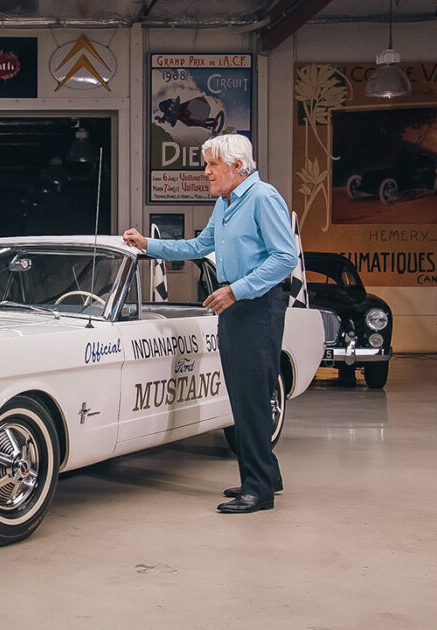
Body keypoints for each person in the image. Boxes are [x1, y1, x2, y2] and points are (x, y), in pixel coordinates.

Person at [123, 134, 297, 514]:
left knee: (252, 394)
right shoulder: (226, 202)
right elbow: (200, 246)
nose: (206, 173)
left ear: (236, 166)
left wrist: (236, 290)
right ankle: (267, 475)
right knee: (242, 393)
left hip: (257, 304)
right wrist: (147, 246)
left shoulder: (263, 198)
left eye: (212, 165)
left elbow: (285, 258)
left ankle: (259, 491)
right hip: (235, 303)